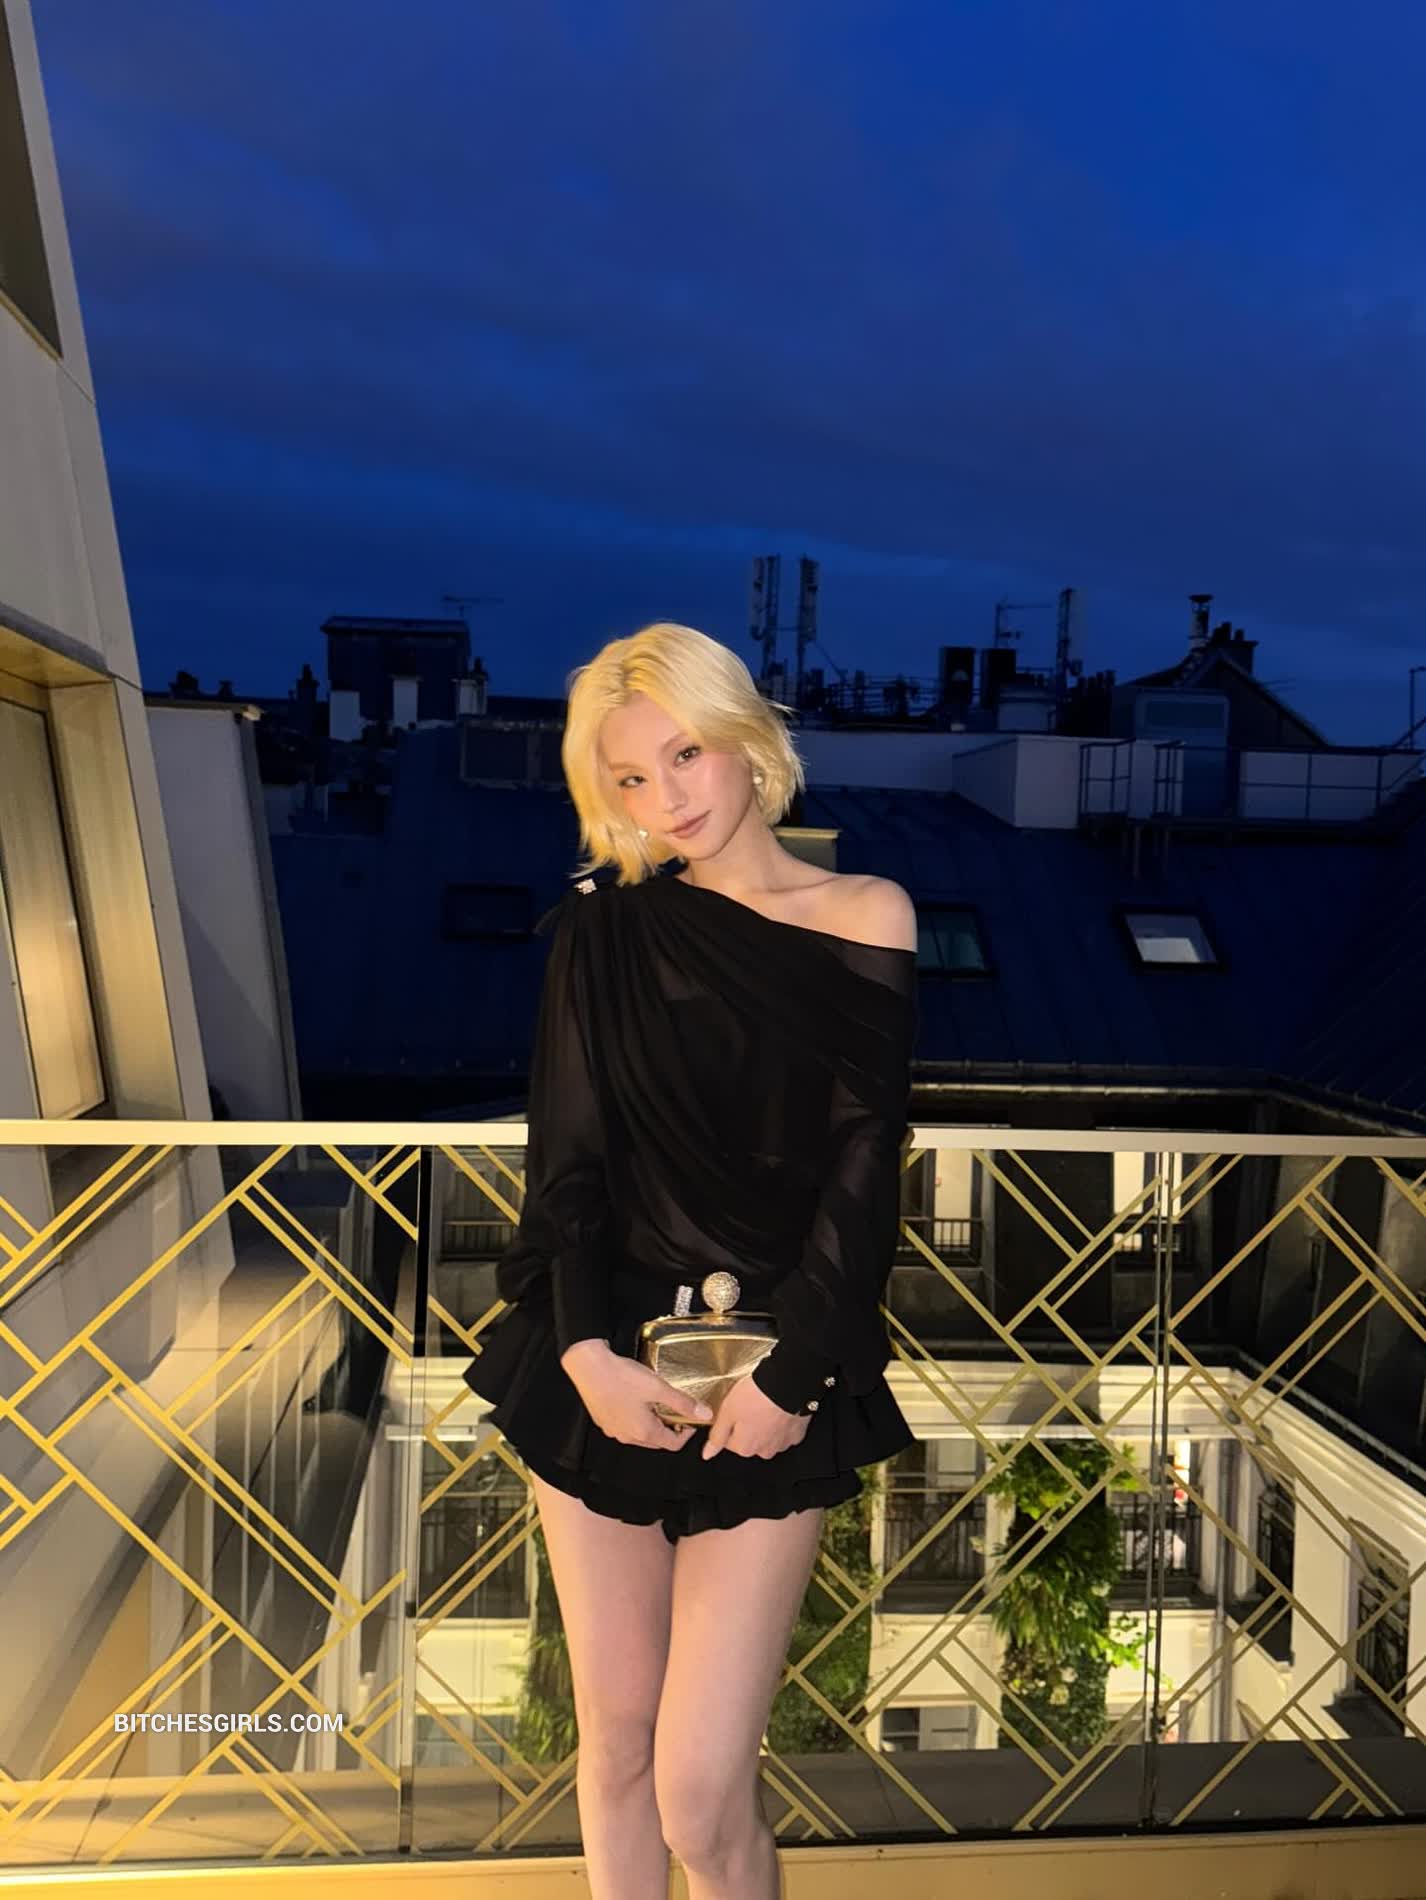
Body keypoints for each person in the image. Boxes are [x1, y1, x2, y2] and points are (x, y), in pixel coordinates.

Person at [463, 621, 918, 1900]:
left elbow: (864, 1168)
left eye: (685, 754)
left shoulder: (865, 912)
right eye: (630, 776)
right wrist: (582, 1353)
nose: (666, 796)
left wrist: (794, 1376)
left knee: (702, 1791)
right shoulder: (601, 935)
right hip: (604, 1363)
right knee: (612, 1746)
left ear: (746, 743)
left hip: (776, 1379)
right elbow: (567, 1169)